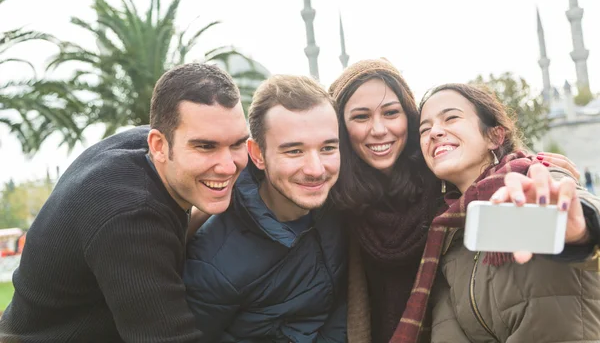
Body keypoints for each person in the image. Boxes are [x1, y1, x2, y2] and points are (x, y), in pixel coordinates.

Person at [328, 59, 583, 343]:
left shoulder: (523, 182)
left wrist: (581, 231)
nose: (378, 129)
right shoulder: (448, 223)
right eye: (361, 117)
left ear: (494, 135)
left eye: (391, 112)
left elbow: (573, 219)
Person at [0, 63, 250, 342]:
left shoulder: (152, 149)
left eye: (238, 143)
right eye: (206, 147)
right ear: (158, 145)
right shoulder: (130, 216)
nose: (229, 166)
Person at [393, 83, 600, 343]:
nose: (434, 132)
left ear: (495, 136)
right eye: (424, 129)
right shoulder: (446, 233)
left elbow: (583, 221)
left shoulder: (533, 182)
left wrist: (581, 231)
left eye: (452, 117)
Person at [184, 75, 348, 342]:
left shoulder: (340, 204)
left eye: (328, 147)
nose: (316, 169)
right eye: (294, 151)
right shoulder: (213, 262)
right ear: (257, 154)